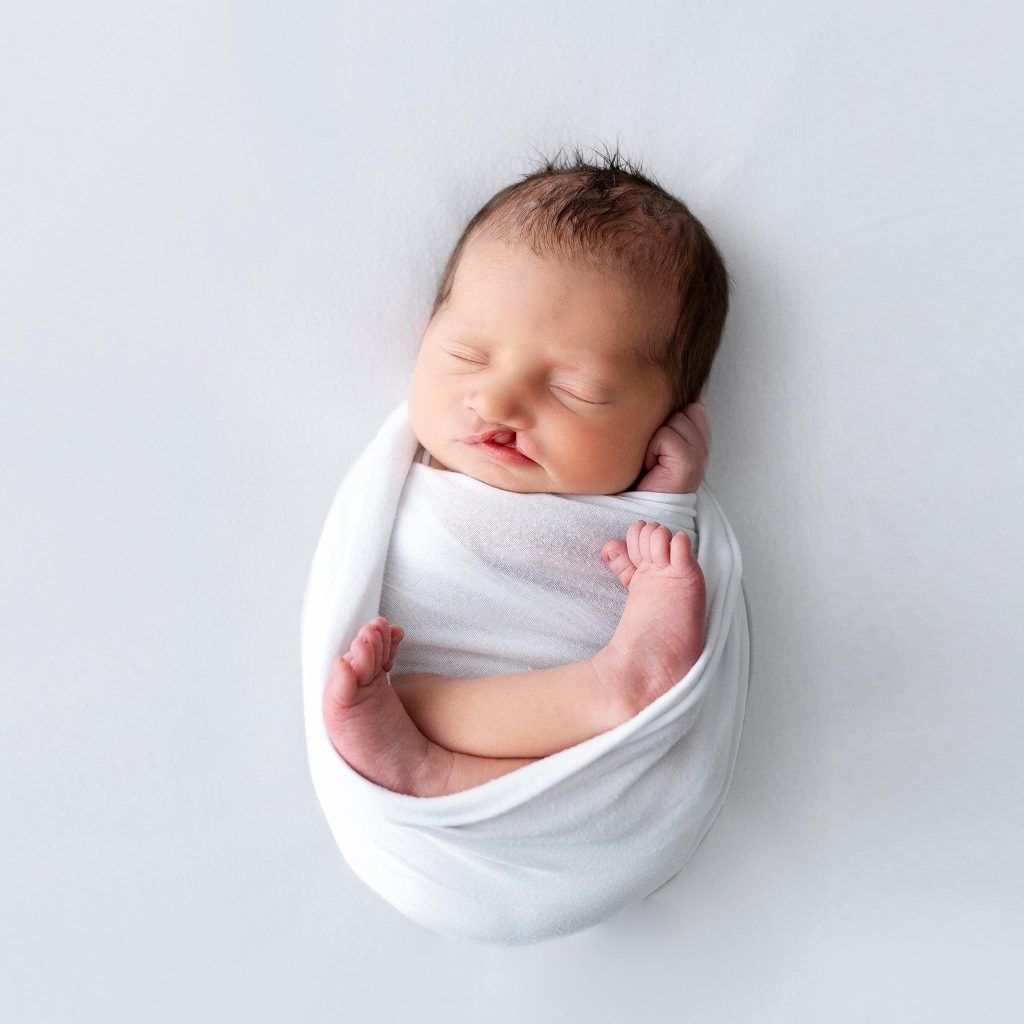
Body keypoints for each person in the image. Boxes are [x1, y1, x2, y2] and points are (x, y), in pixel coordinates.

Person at [322, 146, 728, 797]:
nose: (499, 402)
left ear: (665, 419)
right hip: (515, 783)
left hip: (605, 770)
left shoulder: (629, 494)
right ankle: (446, 764)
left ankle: (458, 755)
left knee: (397, 700)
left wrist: (667, 497)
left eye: (577, 391)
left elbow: (650, 563)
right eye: (466, 355)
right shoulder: (404, 473)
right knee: (387, 695)